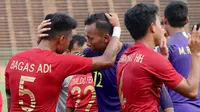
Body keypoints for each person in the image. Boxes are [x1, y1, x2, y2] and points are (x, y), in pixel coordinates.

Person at [38, 12, 174, 112]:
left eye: (90, 38)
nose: (87, 43)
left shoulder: (133, 55)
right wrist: (43, 40)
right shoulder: (89, 54)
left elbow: (161, 90)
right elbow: (50, 61)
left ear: (107, 37)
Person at [5, 12, 121, 112]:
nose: (67, 48)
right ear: (62, 39)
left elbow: (9, 96)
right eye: (69, 41)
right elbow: (107, 60)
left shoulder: (15, 59)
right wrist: (117, 29)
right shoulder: (61, 62)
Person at [117, 3, 200, 112]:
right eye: (158, 24)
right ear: (152, 27)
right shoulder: (152, 58)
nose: (162, 28)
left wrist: (163, 59)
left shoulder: (125, 57)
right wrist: (195, 53)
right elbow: (192, 91)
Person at [163, 1, 200, 112]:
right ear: (187, 20)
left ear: (165, 20)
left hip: (177, 107)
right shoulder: (196, 44)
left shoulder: (164, 47)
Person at [56, 34, 89, 112]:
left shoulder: (93, 70)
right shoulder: (61, 72)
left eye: (84, 53)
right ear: (68, 52)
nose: (82, 57)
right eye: (77, 53)